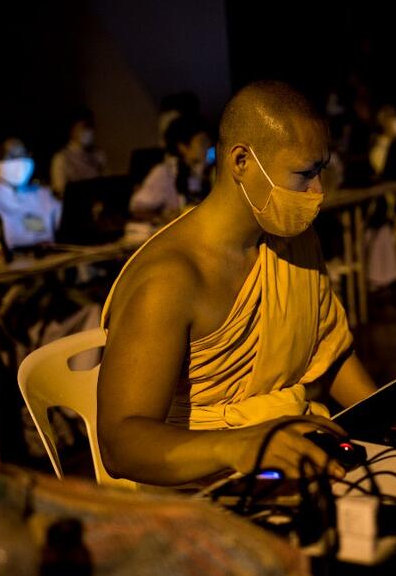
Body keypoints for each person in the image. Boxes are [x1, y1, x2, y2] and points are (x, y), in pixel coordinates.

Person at [97, 81, 377, 486]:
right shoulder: (170, 279)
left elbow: (329, 355)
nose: (317, 192)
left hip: (296, 454)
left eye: (321, 172)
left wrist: (392, 427)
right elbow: (120, 444)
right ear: (242, 161)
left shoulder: (294, 242)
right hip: (204, 487)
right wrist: (241, 445)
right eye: (304, 174)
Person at [129, 115, 212, 221]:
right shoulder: (164, 173)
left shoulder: (200, 172)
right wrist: (162, 216)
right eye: (202, 142)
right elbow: (136, 207)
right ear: (183, 147)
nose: (207, 147)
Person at [49, 108, 107, 197]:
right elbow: (59, 191)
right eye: (83, 127)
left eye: (90, 127)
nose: (87, 132)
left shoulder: (98, 155)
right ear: (71, 130)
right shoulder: (61, 158)